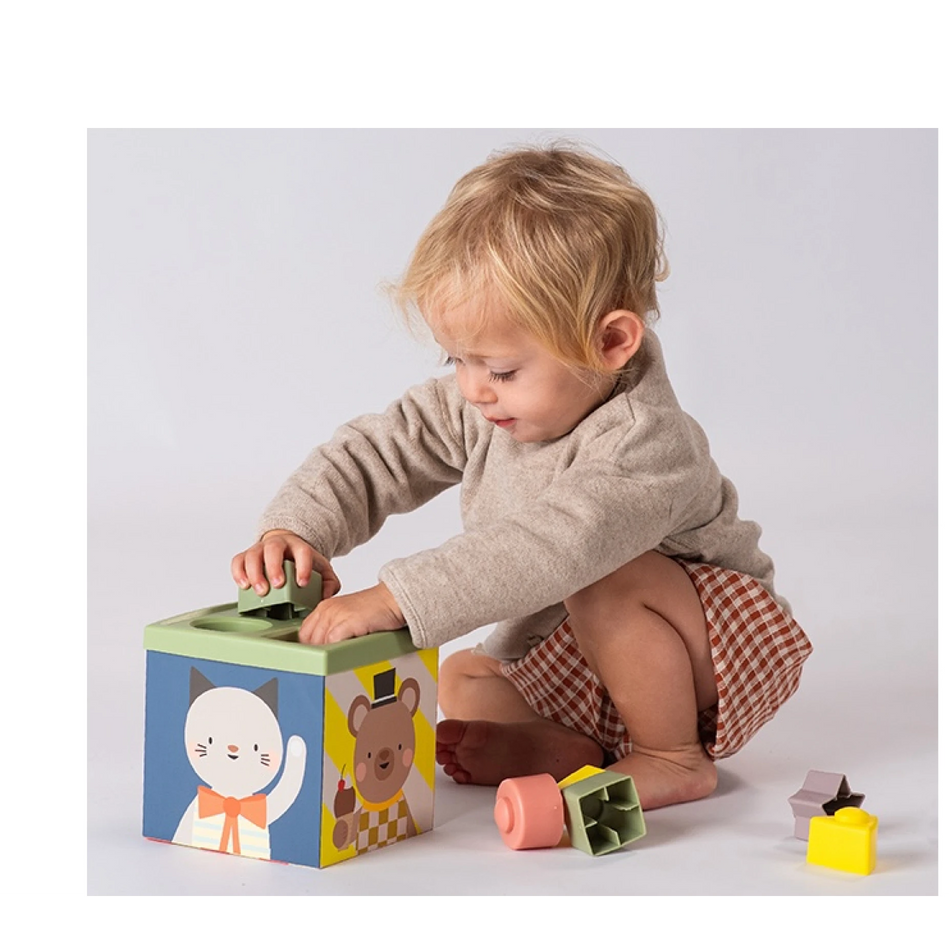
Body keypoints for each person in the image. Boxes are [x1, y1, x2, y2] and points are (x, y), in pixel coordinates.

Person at [231, 145, 812, 810]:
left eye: (502, 370)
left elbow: (556, 545)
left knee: (604, 575)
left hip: (717, 651)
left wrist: (394, 598)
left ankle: (671, 756)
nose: (474, 389)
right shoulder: (483, 402)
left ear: (609, 344)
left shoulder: (646, 443)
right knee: (464, 676)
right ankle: (567, 747)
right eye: (457, 360)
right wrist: (298, 526)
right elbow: (380, 450)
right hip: (583, 650)